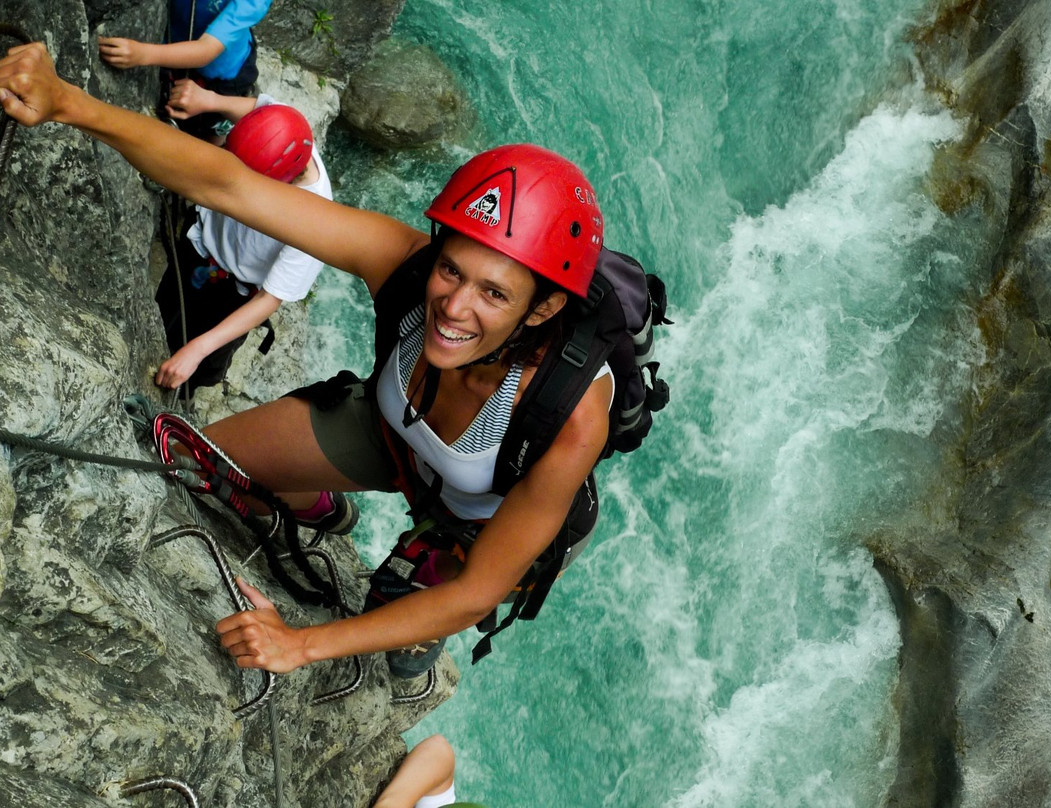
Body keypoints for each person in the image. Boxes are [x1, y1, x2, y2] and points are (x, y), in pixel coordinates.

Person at [0, 42, 612, 680]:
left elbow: (477, 592)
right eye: (452, 269)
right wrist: (70, 102)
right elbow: (229, 185)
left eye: (493, 294)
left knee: (399, 644)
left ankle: (414, 560)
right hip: (394, 434)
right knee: (194, 457)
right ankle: (320, 506)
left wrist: (299, 644)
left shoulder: (565, 419)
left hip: (480, 512)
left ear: (539, 312)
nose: (453, 306)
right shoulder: (404, 268)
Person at [154, 86, 332, 391]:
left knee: (202, 366)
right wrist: (208, 99)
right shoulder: (281, 127)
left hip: (232, 294)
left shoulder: (313, 222)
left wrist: (197, 349)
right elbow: (259, 107)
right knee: (162, 308)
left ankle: (186, 391)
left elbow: (269, 299)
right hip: (199, 246)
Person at [99, 0, 272, 140]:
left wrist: (142, 54)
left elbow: (207, 49)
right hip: (175, 47)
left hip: (225, 76)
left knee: (211, 129)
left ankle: (213, 152)